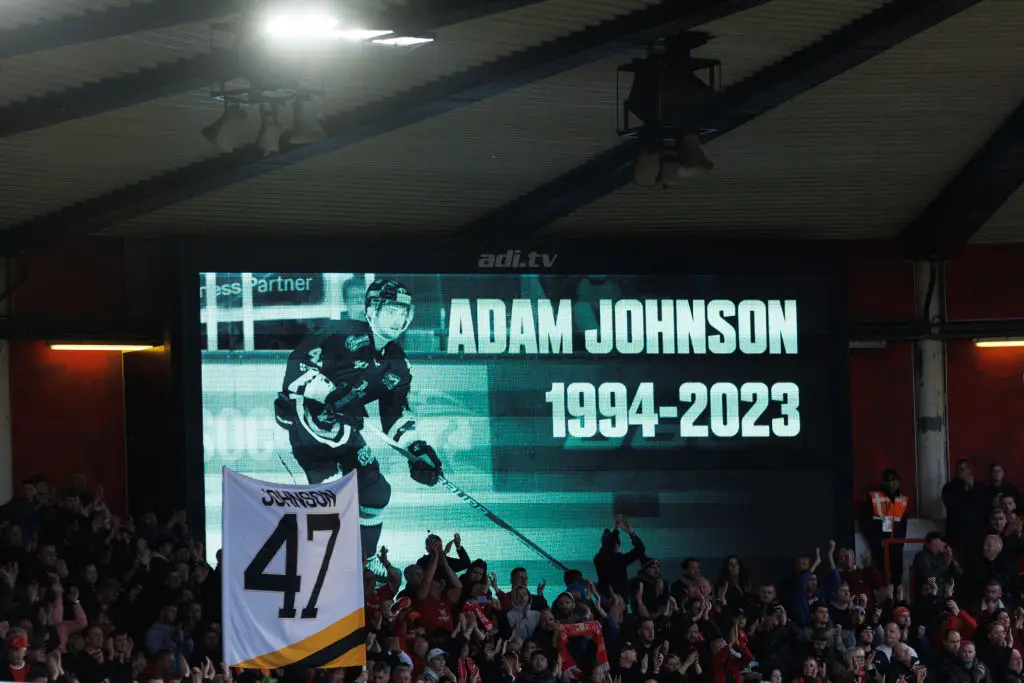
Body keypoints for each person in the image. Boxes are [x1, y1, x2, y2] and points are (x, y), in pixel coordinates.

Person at [274, 278, 444, 565]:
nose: (398, 318)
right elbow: (296, 370)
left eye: (403, 311)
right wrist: (331, 393)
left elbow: (395, 417)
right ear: (370, 311)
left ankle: (365, 561)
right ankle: (316, 568)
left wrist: (416, 448)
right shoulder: (342, 333)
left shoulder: (399, 365)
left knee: (376, 492)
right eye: (391, 310)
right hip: (305, 424)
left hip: (344, 428)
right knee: (330, 504)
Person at [863, 469, 909, 586]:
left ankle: (897, 600)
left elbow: (903, 522)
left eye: (897, 480)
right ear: (884, 482)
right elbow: (867, 521)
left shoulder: (902, 500)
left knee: (898, 574)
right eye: (891, 480)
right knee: (882, 574)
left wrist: (901, 541)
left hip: (897, 543)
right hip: (881, 543)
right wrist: (876, 540)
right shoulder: (875, 497)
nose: (895, 483)